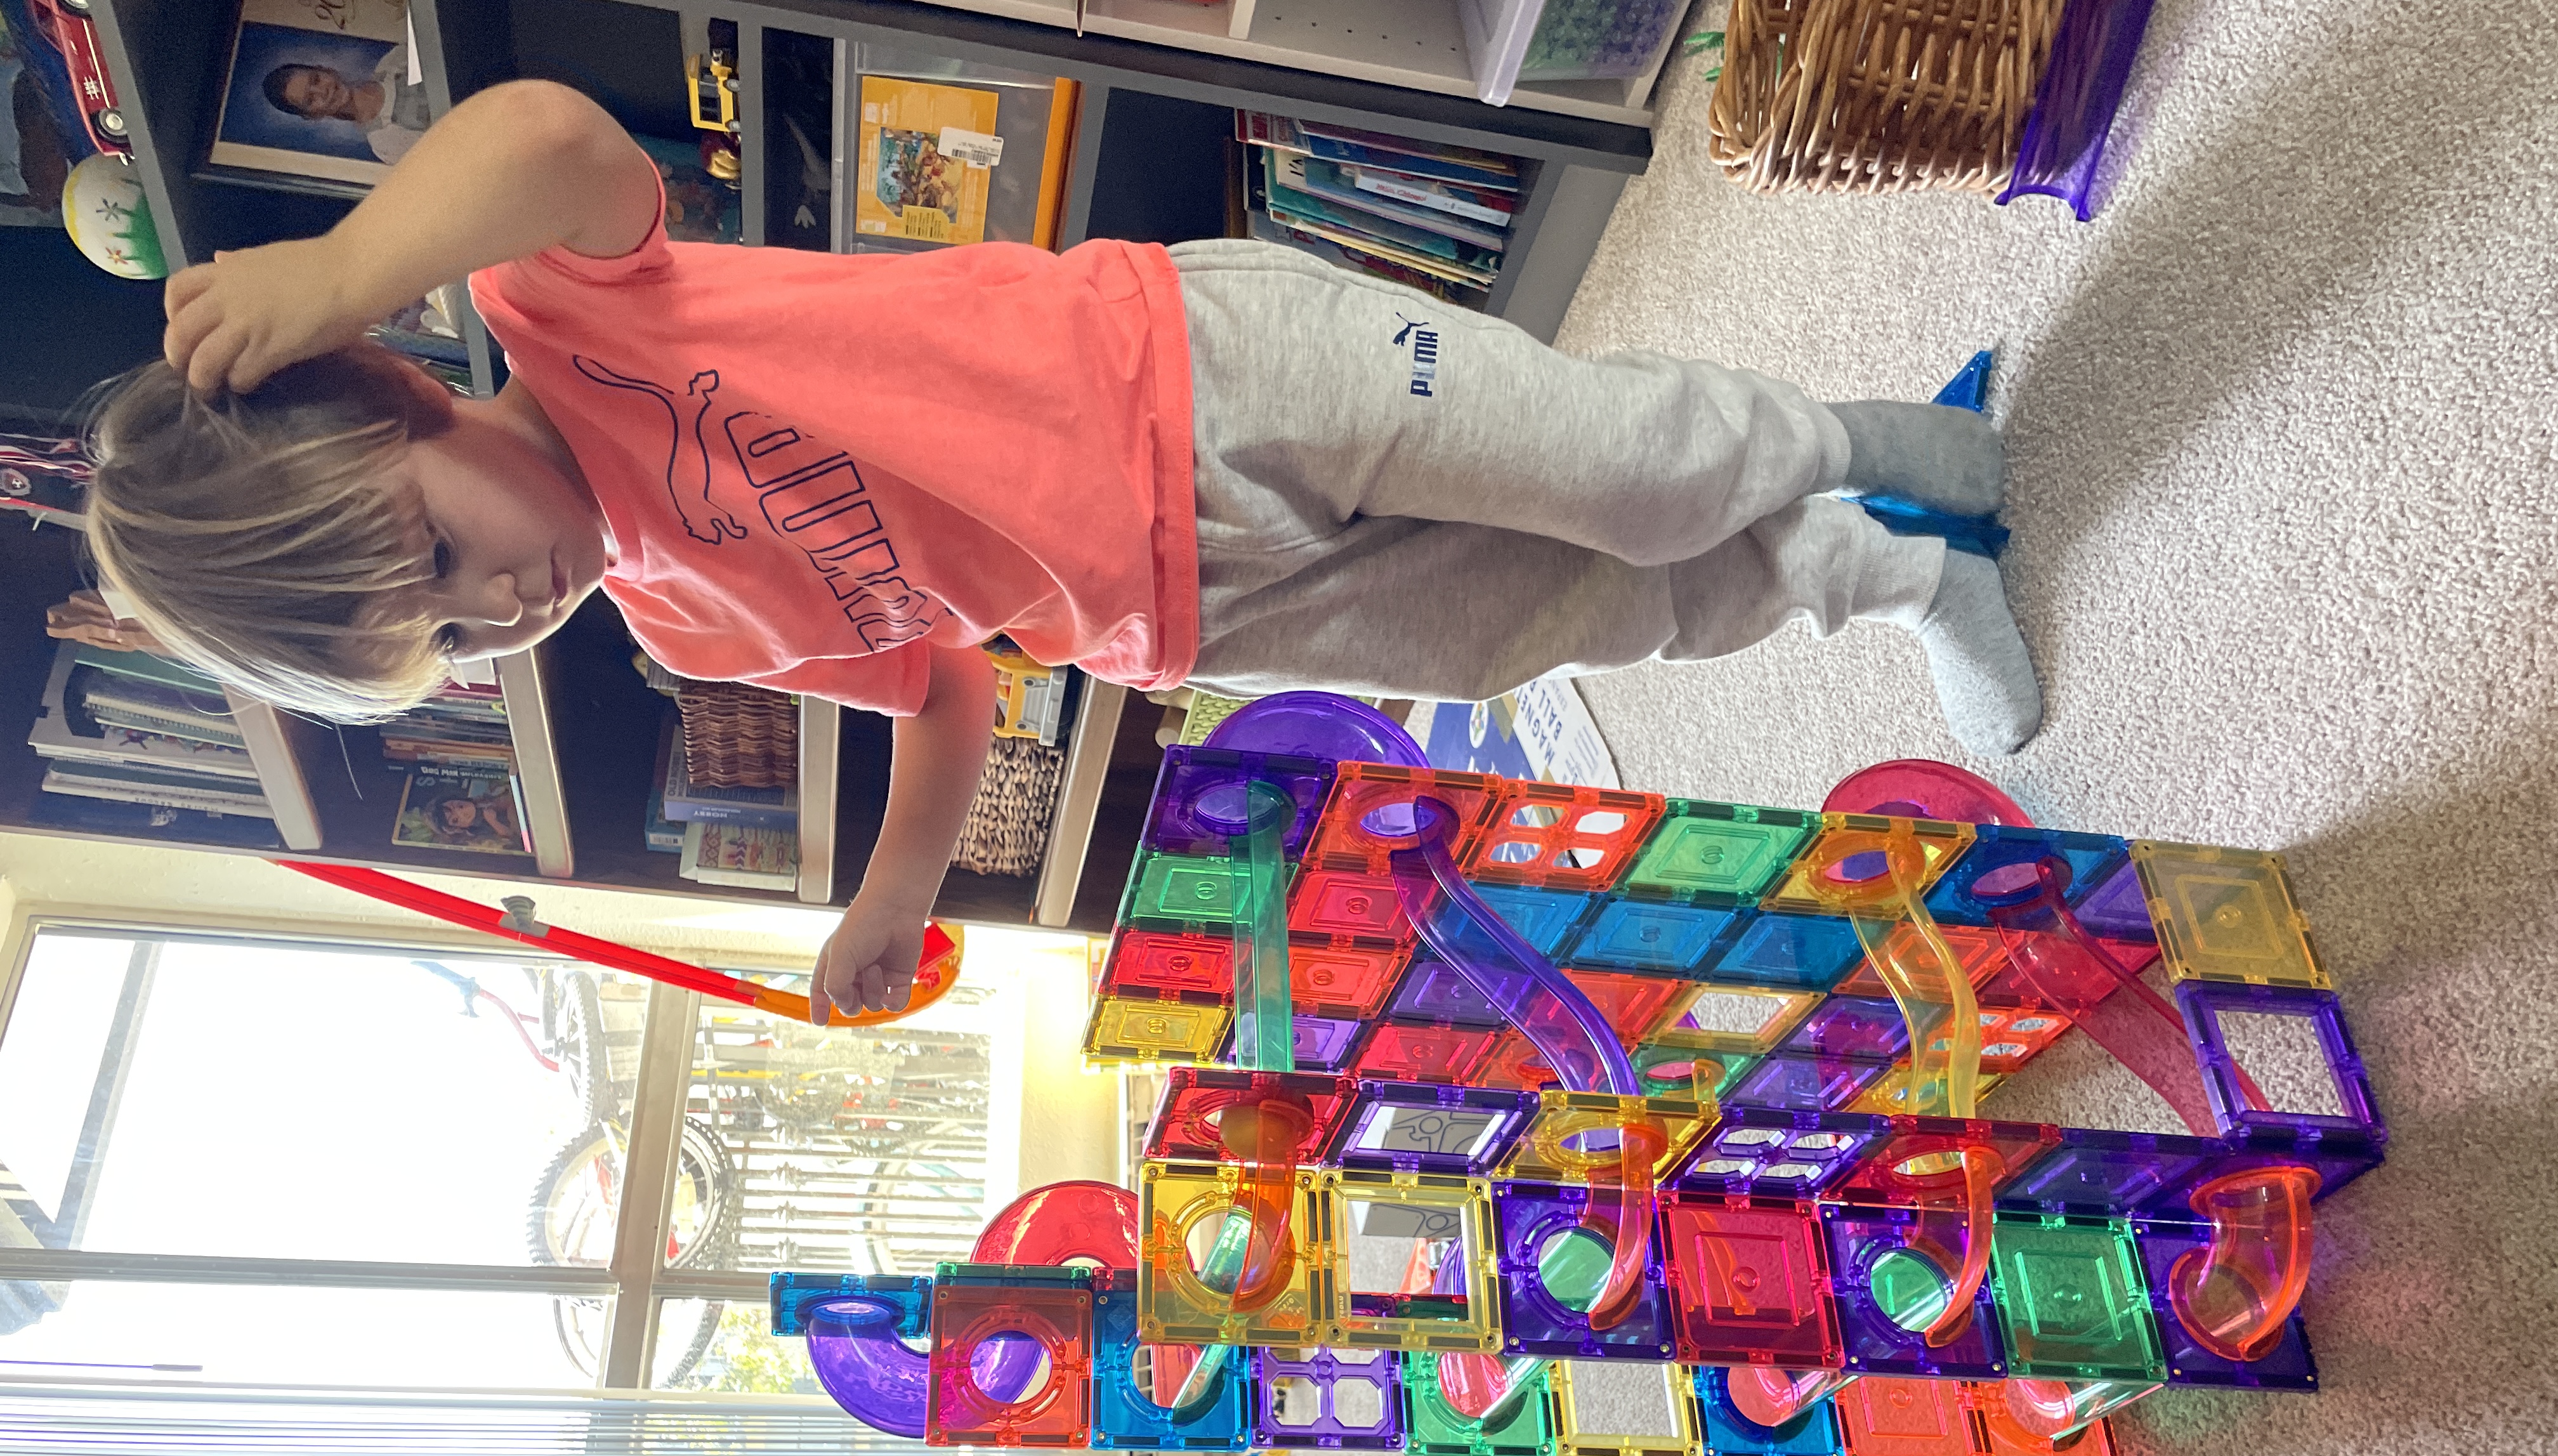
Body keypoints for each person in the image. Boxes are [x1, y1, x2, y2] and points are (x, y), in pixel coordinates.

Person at [82, 81, 2040, 1026]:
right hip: (1197, 606)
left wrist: (345, 266)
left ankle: (1869, 446)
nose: (489, 610)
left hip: (1201, 371)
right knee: (1576, 615)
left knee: (1623, 466)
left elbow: (541, 133)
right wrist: (888, 894)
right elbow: (939, 687)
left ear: (408, 404)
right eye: (441, 643)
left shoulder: (565, 316)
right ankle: (1888, 569)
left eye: (434, 551)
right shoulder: (687, 632)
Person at [261, 46, 431, 163]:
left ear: (326, 70)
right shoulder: (385, 144)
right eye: (310, 100)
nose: (323, 91)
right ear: (313, 116)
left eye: (316, 79)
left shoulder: (395, 61)